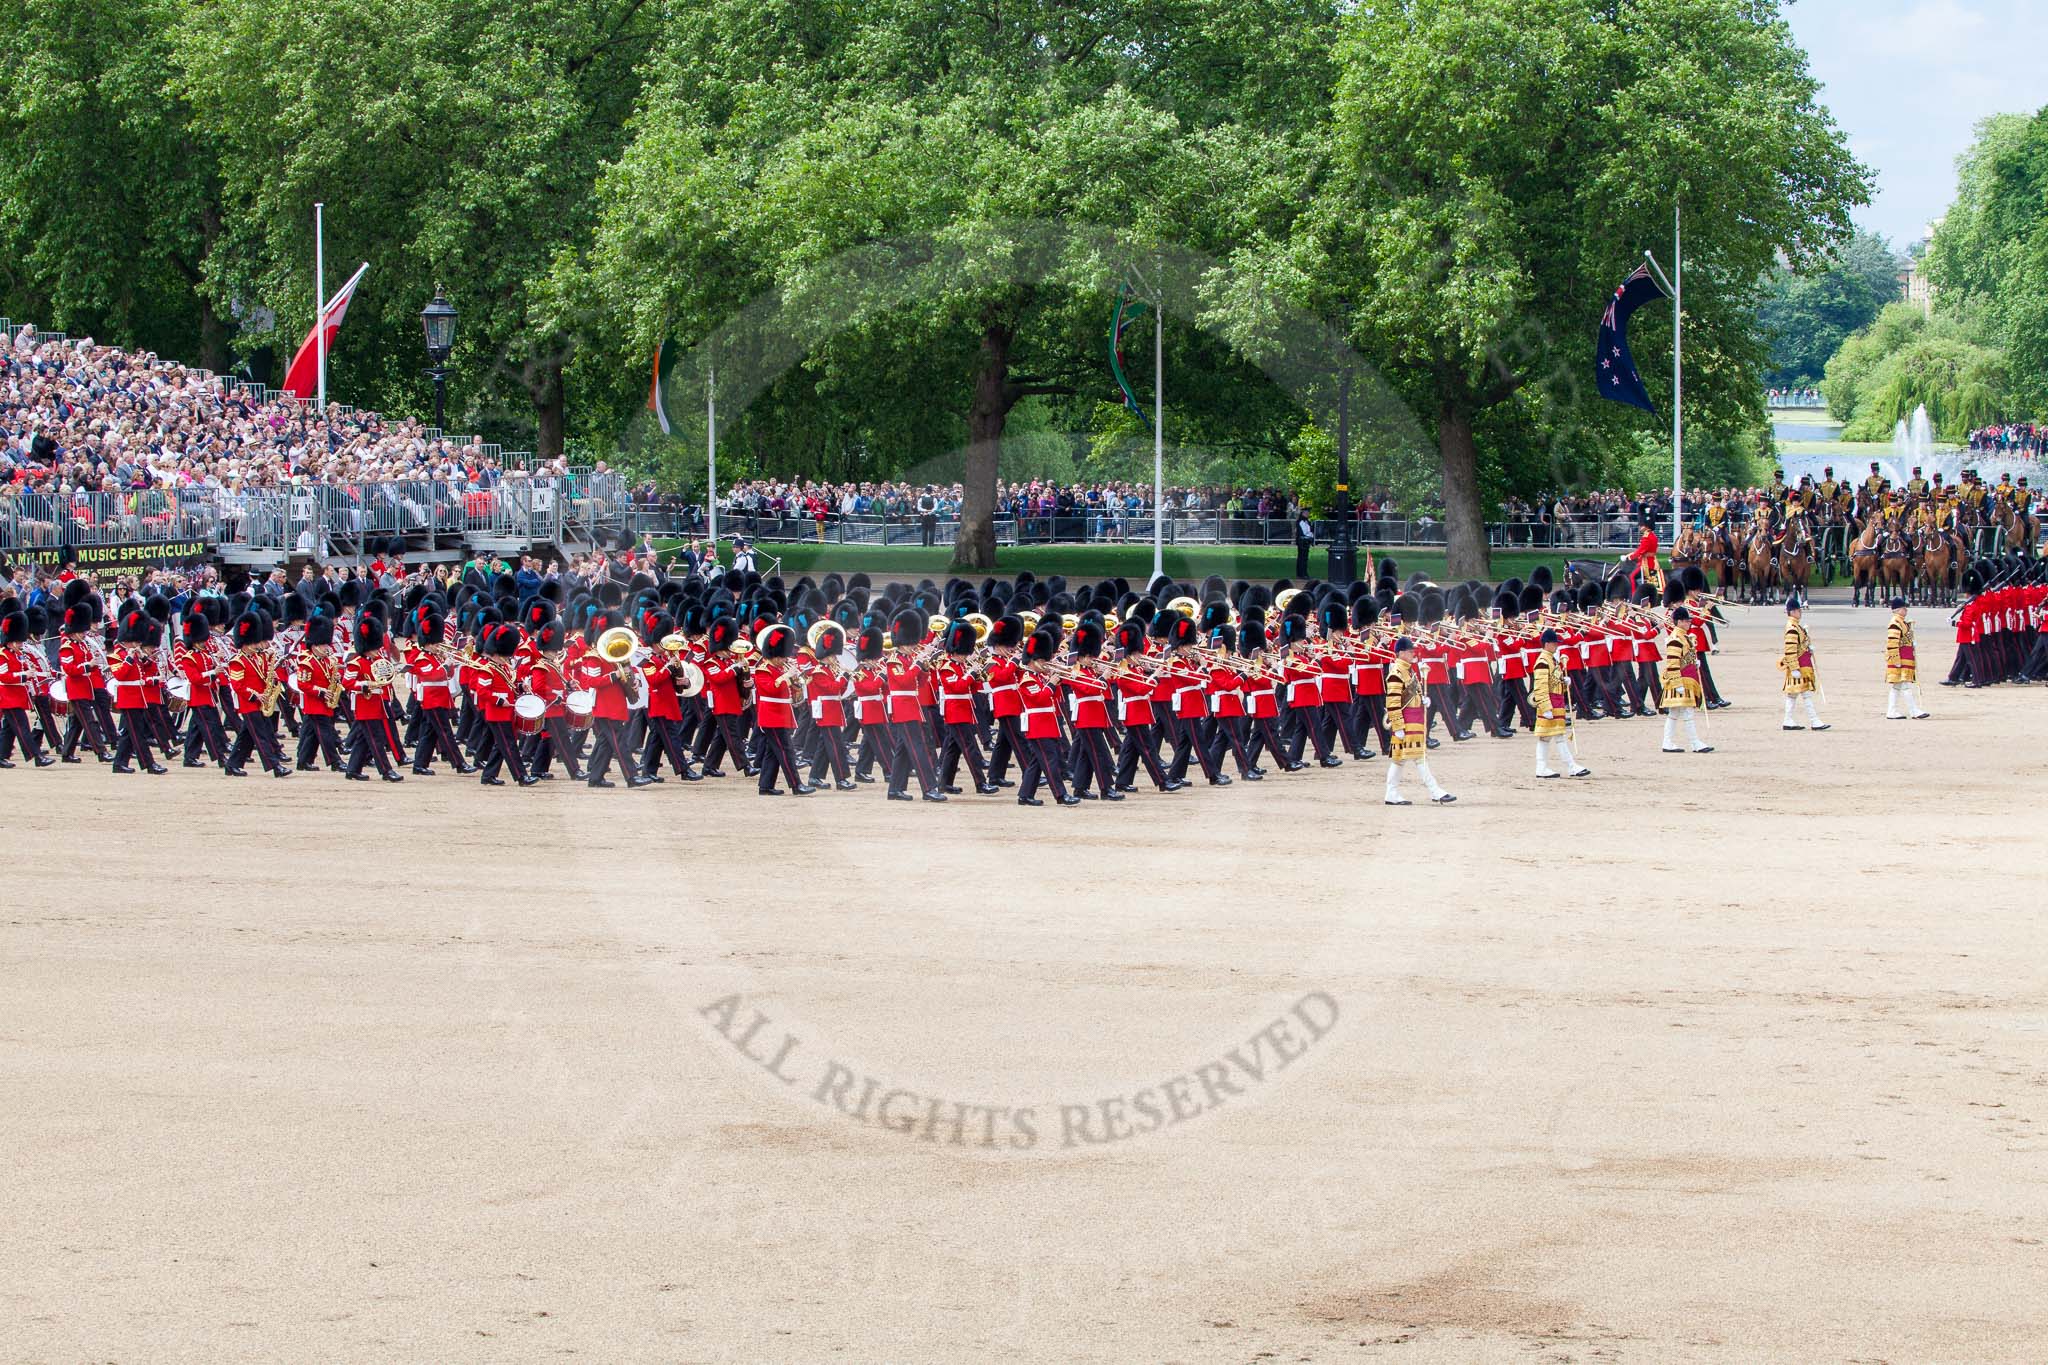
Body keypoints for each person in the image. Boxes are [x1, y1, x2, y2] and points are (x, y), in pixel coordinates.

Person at [1382, 637, 1454, 805]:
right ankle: (1435, 791)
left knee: (1399, 760)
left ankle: (1391, 793)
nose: (1412, 654)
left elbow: (1411, 694)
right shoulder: (1396, 673)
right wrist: (1398, 726)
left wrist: (1422, 699)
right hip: (1406, 721)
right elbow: (1392, 702)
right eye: (1409, 651)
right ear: (1400, 653)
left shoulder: (1409, 671)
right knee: (1419, 757)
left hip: (1413, 719)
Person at [1529, 628, 1589, 779]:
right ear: (1547, 644)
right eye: (1554, 643)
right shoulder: (1543, 661)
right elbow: (1541, 686)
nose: (1557, 646)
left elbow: (1552, 680)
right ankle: (1570, 766)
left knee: (1547, 737)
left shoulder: (1550, 659)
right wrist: (1546, 707)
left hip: (1555, 701)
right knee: (1557, 736)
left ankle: (1542, 768)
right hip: (1549, 703)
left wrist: (1563, 681)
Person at [1658, 603, 1714, 754]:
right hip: (1680, 681)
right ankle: (1695, 743)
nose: (1689, 623)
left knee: (1675, 713)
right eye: (1687, 621)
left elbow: (1684, 656)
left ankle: (1667, 742)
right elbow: (1672, 663)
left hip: (1687, 679)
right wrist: (1677, 684)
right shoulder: (1676, 638)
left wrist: (1692, 661)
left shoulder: (1684, 637)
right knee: (1687, 713)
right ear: (1680, 622)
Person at [1779, 597, 1829, 731]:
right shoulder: (1792, 627)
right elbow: (1790, 649)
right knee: (1805, 694)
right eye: (1798, 610)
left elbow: (1800, 644)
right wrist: (1794, 668)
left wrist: (1808, 646)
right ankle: (1814, 721)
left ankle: (1788, 720)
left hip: (1802, 663)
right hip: (1799, 665)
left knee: (1793, 695)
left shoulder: (1796, 625)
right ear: (1793, 611)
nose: (1800, 612)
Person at [1884, 598, 1930, 720]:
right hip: (1900, 659)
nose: (1906, 610)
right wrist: (1895, 660)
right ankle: (1913, 710)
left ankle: (1891, 710)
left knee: (1897, 686)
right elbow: (1892, 643)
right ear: (1899, 610)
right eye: (1904, 608)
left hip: (1905, 657)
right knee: (1904, 685)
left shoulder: (1902, 622)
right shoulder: (1895, 623)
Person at [1293, 509, 1315, 577]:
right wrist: (1310, 535)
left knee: (1304, 558)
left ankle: (1303, 573)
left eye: (1308, 513)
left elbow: (1309, 531)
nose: (1308, 514)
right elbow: (1305, 532)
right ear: (1303, 513)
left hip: (1306, 541)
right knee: (1302, 558)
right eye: (1306, 513)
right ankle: (1301, 574)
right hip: (1302, 541)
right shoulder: (1300, 521)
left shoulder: (1307, 521)